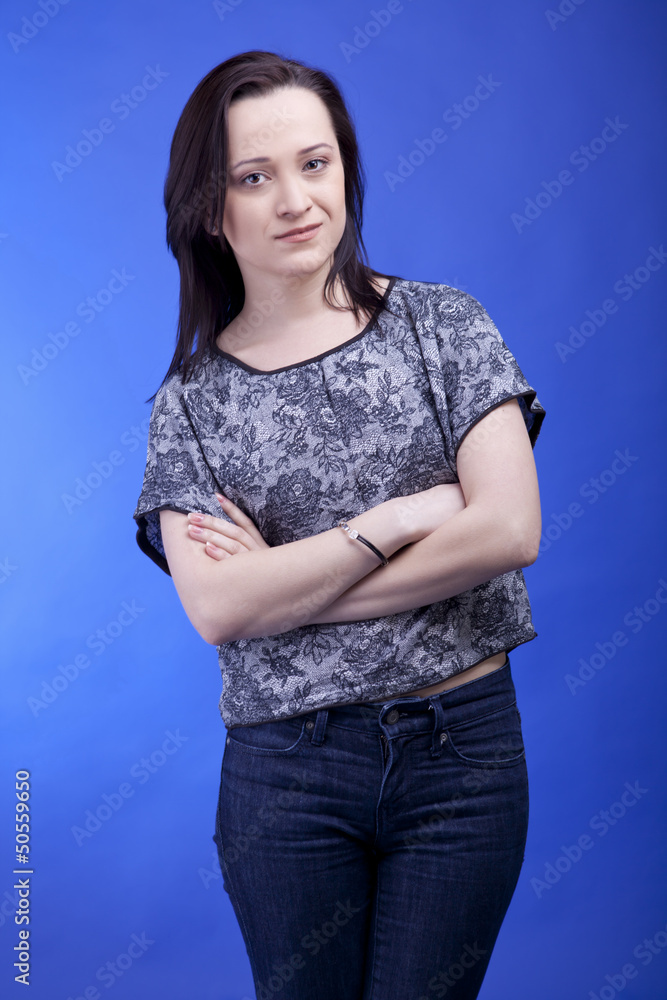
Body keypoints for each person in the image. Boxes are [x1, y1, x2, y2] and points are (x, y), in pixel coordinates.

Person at [133, 50, 546, 1000]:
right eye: (254, 176)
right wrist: (397, 518)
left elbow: (508, 532)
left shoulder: (443, 326)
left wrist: (283, 588)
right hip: (288, 778)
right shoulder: (189, 406)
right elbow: (217, 611)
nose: (294, 200)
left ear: (347, 171)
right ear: (209, 207)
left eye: (315, 164)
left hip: (462, 760)